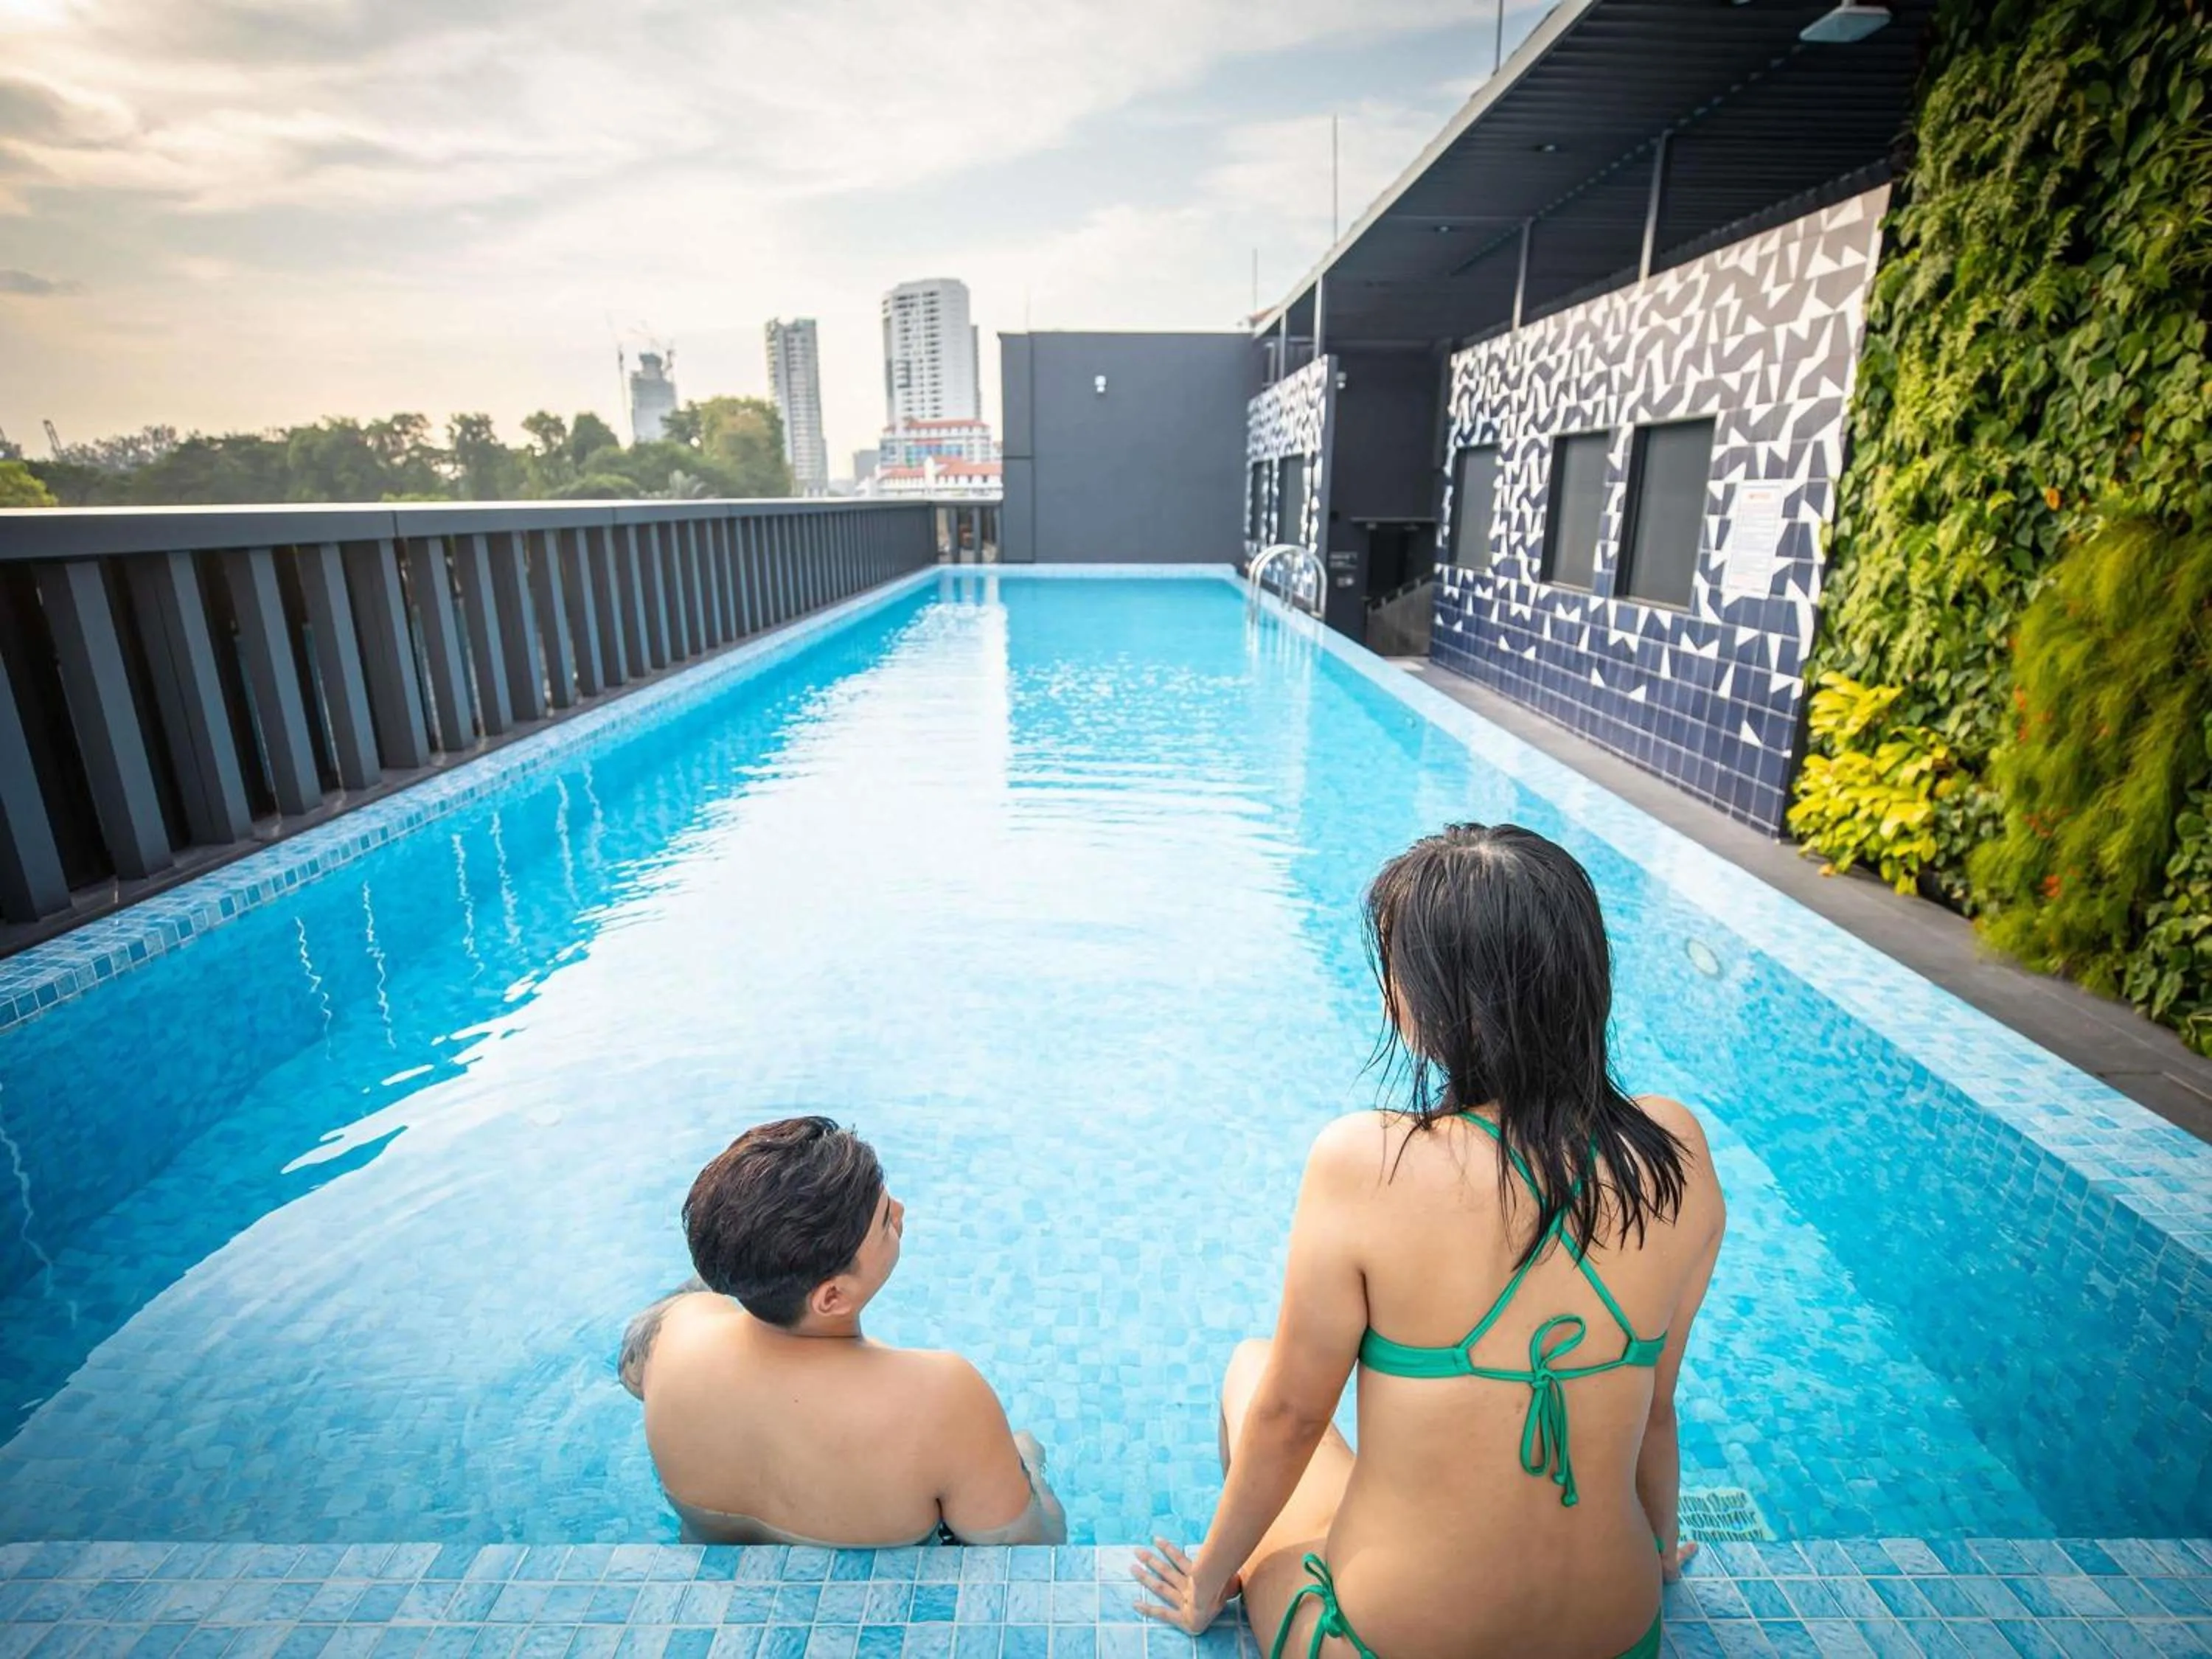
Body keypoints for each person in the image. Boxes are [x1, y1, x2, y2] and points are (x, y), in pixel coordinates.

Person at [1133, 824, 1725, 1659]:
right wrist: (1659, 1552)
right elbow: (1655, 1409)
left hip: (1383, 1644)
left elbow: (1293, 1417)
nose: (1388, 994)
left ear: (1452, 1001)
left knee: (1252, 1372)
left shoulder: (1369, 1161)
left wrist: (1205, 1586)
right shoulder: (1674, 1151)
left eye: (1398, 971)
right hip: (1620, 1638)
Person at [619, 1115, 1067, 1546]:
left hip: (712, 1562)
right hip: (887, 1588)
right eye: (886, 1222)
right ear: (832, 1298)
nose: (901, 1212)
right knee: (1025, 1447)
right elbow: (1028, 1545)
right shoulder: (942, 1399)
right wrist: (1027, 1462)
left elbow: (632, 1370)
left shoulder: (671, 1335)